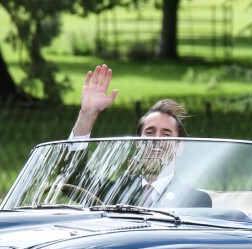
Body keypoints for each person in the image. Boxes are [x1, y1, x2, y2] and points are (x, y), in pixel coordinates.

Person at [70, 64, 211, 208]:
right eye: (150, 132)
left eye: (166, 134)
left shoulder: (195, 200)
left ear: (179, 147)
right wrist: (87, 114)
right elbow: (72, 178)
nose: (156, 139)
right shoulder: (116, 191)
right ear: (138, 142)